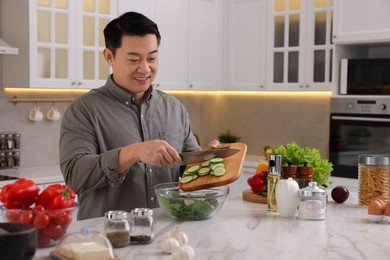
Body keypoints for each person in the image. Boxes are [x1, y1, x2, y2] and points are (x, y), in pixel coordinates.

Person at [59, 11, 220, 220]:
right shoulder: (83, 110)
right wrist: (132, 152)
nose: (145, 69)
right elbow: (75, 177)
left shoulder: (174, 108)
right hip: (108, 240)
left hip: (166, 235)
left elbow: (188, 173)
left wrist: (208, 159)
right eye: (134, 59)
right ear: (109, 56)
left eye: (152, 58)